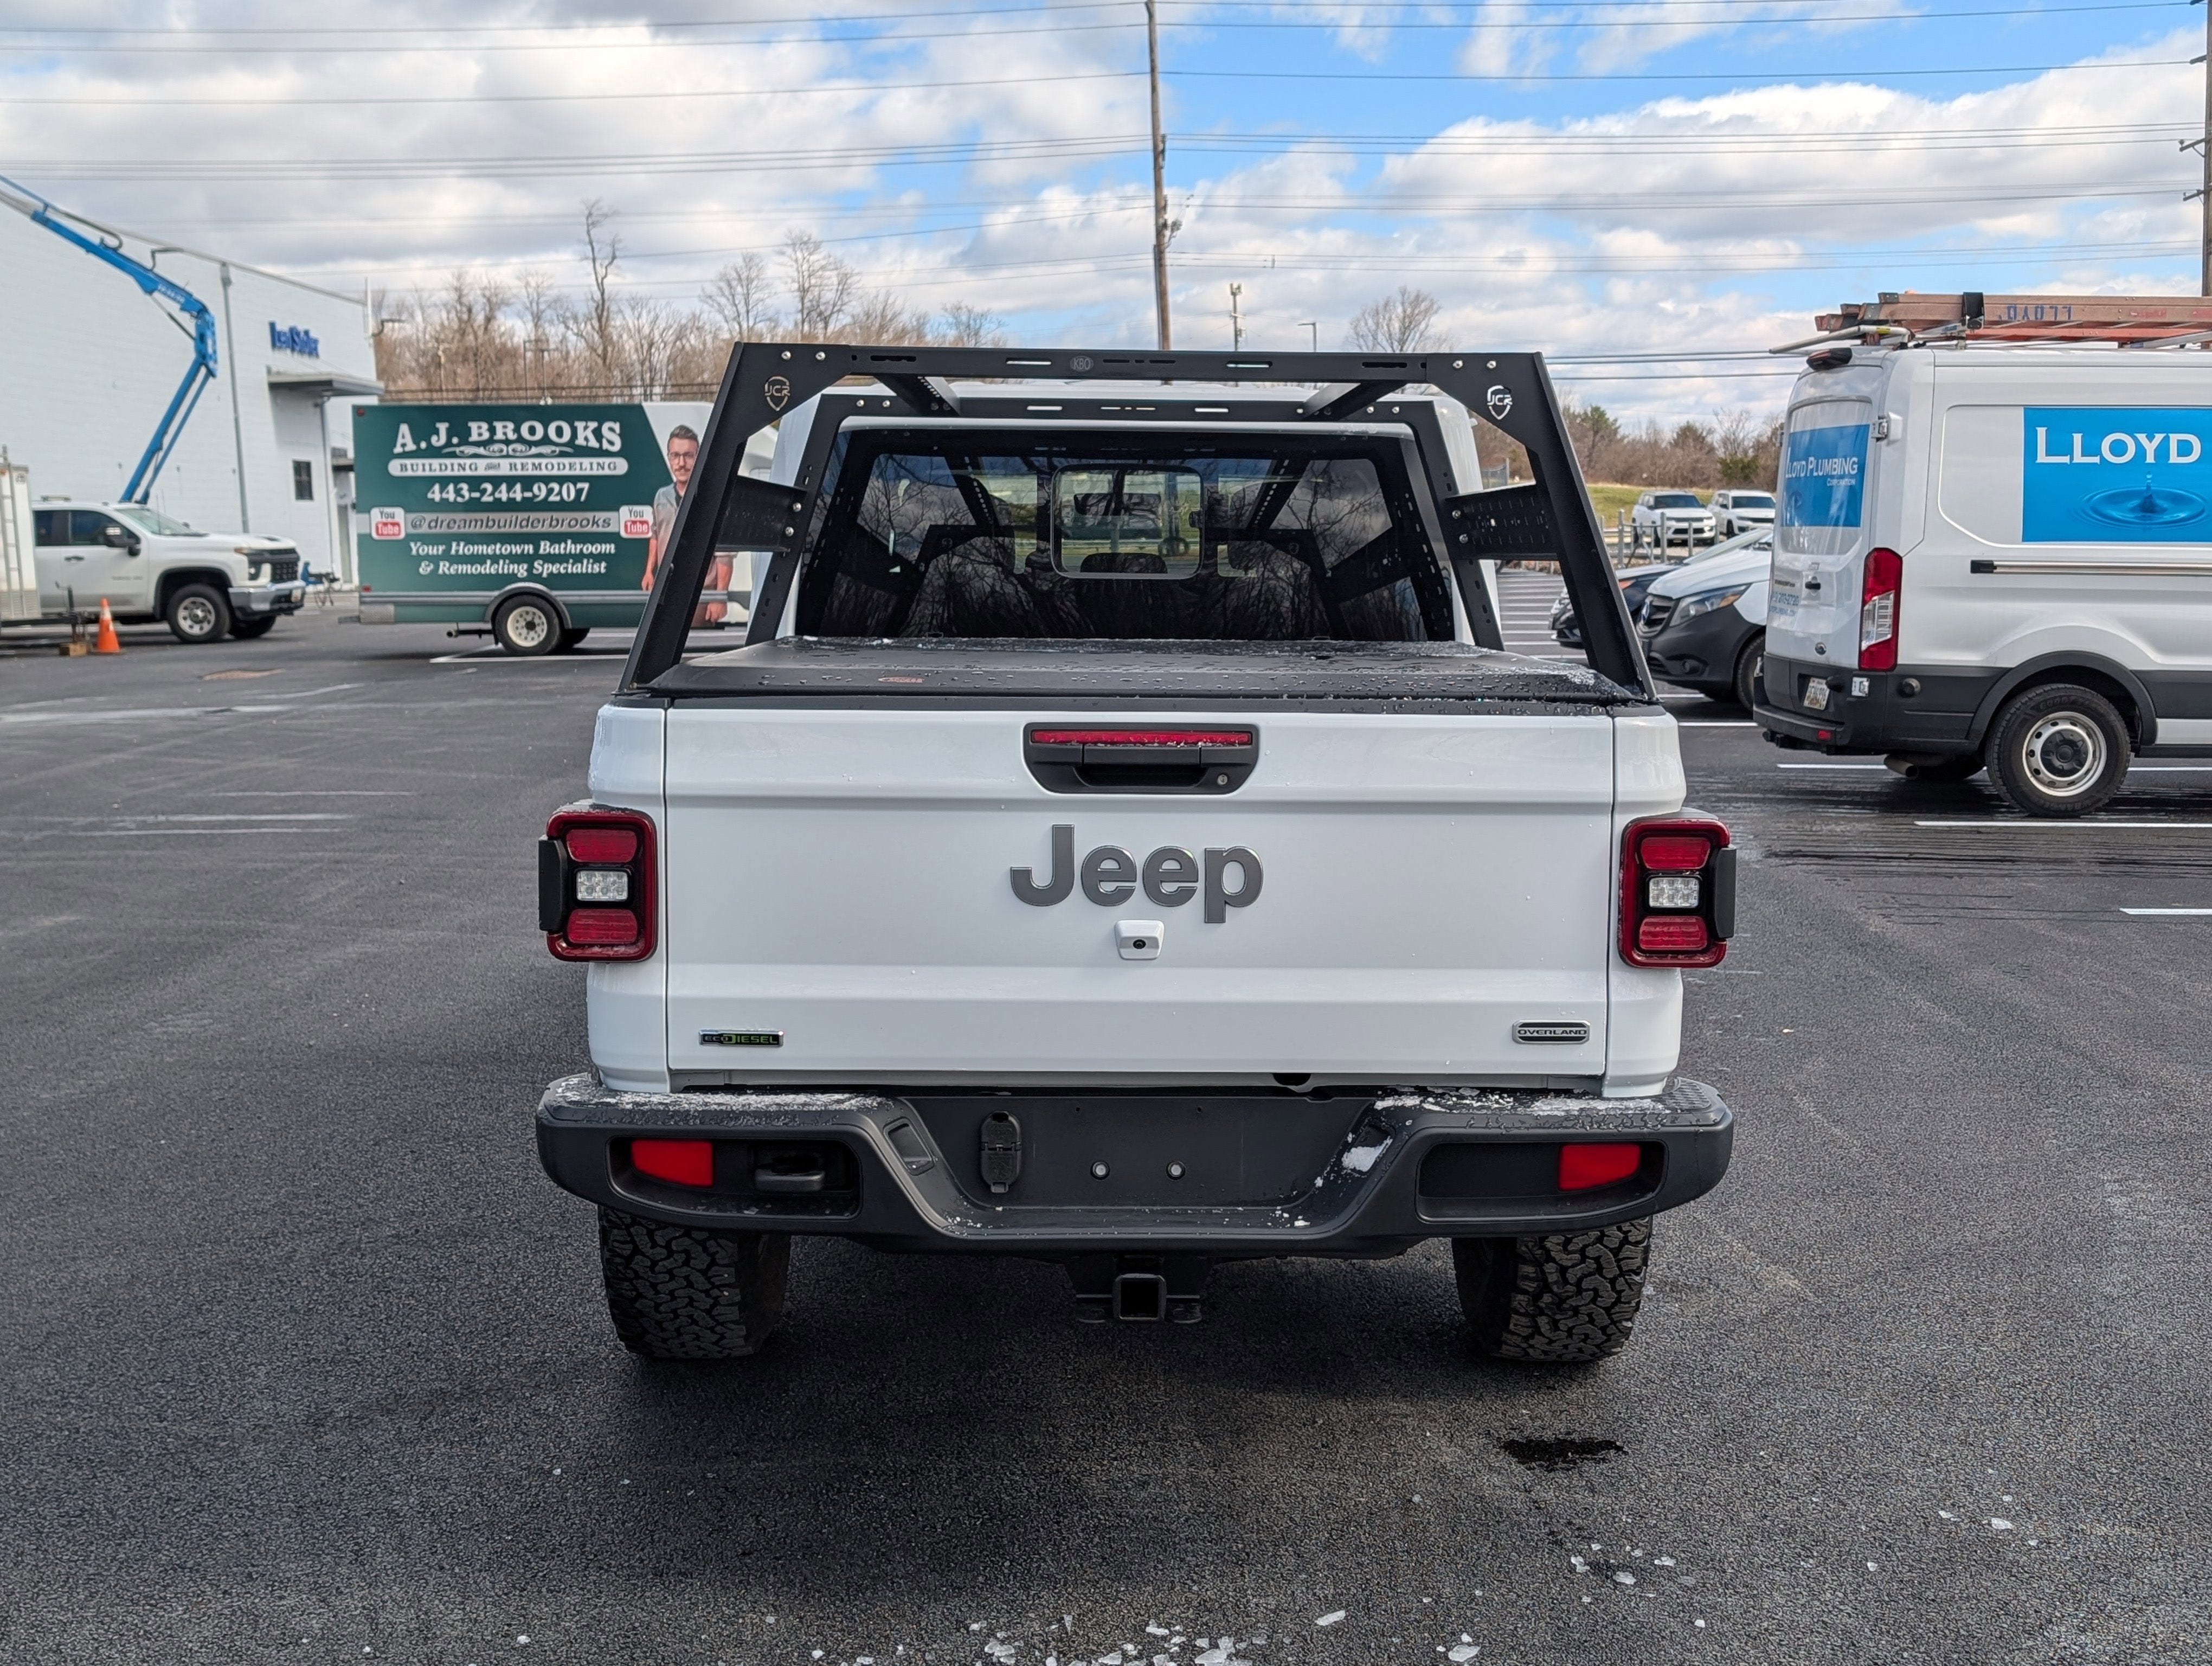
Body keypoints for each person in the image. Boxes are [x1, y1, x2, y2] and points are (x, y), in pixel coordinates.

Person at [641, 424, 729, 625]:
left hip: (700, 595)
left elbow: (725, 555)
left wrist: (719, 597)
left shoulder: (712, 499)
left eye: (689, 456)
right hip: (666, 589)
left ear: (699, 457)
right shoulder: (661, 496)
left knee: (695, 652)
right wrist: (649, 571)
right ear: (669, 458)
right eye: (675, 456)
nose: (681, 463)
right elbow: (655, 535)